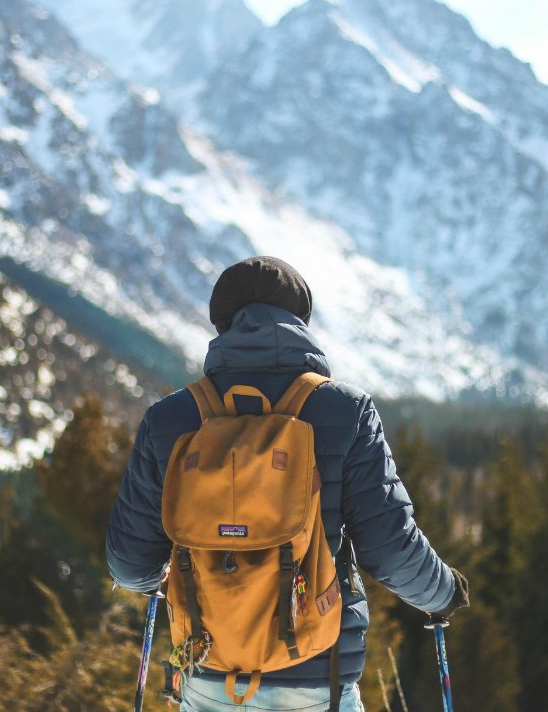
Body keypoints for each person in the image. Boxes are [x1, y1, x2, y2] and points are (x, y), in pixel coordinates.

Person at [107, 256, 469, 712]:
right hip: (316, 679)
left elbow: (128, 564)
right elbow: (389, 547)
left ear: (222, 326)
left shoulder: (170, 419)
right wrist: (443, 593)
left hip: (205, 675)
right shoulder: (344, 410)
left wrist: (166, 575)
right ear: (301, 321)